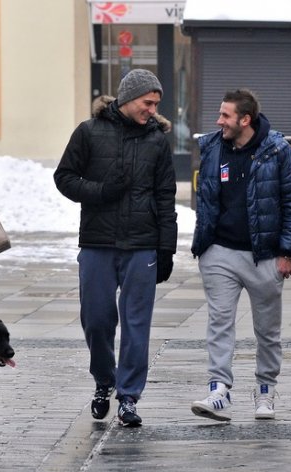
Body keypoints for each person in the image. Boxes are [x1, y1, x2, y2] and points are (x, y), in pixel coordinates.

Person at [53, 69, 177, 427]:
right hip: (98, 242)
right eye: (147, 102)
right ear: (127, 99)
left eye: (156, 104)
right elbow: (64, 178)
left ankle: (129, 397)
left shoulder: (157, 141)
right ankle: (104, 380)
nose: (153, 110)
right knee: (96, 319)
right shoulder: (89, 132)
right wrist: (101, 190)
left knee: (137, 325)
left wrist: (165, 248)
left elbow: (166, 196)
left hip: (142, 245)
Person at [190, 88, 291, 422]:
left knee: (267, 331)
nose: (218, 120)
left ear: (245, 119)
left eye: (225, 115)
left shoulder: (278, 150)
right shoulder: (212, 146)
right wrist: (204, 247)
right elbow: (207, 197)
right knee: (219, 322)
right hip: (219, 253)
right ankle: (219, 389)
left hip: (265, 256)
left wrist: (287, 251)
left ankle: (265, 390)